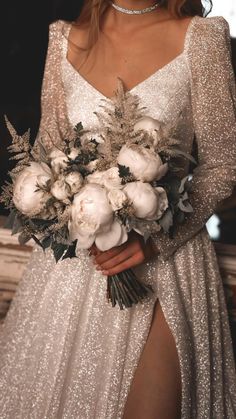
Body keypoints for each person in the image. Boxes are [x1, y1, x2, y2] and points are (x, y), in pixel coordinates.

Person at [0, 0, 236, 417]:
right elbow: (46, 155)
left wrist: (159, 240)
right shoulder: (63, 39)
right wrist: (66, 204)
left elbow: (223, 166)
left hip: (168, 267)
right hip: (75, 269)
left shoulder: (203, 38)